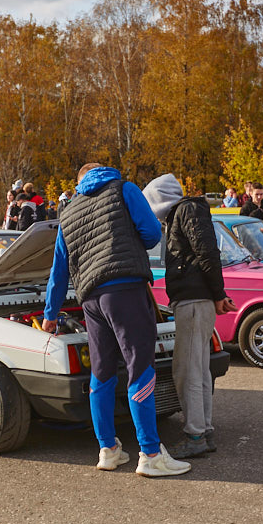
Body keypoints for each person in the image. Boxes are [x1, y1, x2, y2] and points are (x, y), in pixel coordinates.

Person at [42, 163, 190, 477]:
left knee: (102, 372)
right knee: (140, 369)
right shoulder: (124, 189)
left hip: (90, 299)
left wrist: (50, 315)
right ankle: (150, 454)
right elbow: (151, 234)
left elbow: (59, 270)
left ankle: (107, 450)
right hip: (125, 290)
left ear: (79, 181)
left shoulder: (68, 211)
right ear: (104, 172)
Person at [143, 174, 236, 459]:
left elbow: (207, 253)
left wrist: (218, 294)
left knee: (187, 370)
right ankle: (203, 430)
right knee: (199, 368)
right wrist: (216, 294)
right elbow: (205, 254)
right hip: (197, 298)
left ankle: (196, 435)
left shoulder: (186, 211)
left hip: (193, 300)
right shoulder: (187, 212)